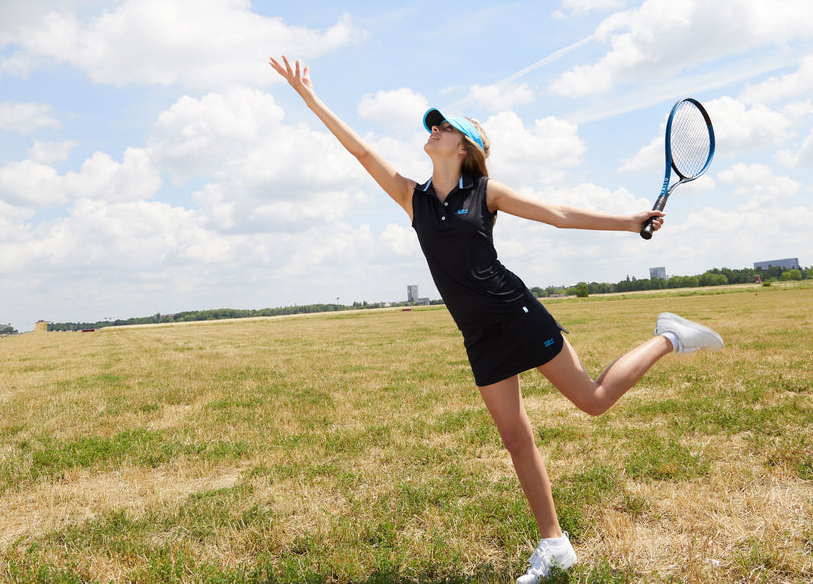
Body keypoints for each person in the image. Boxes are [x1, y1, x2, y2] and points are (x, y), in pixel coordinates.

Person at [269, 56, 724, 583]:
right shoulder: (413, 198)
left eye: (444, 128)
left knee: (593, 401)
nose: (433, 130)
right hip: (478, 333)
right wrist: (310, 98)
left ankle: (669, 336)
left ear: (465, 148)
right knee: (515, 438)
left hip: (515, 312)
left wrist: (628, 222)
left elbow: (558, 214)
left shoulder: (487, 193)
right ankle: (555, 545)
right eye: (433, 126)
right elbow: (360, 150)